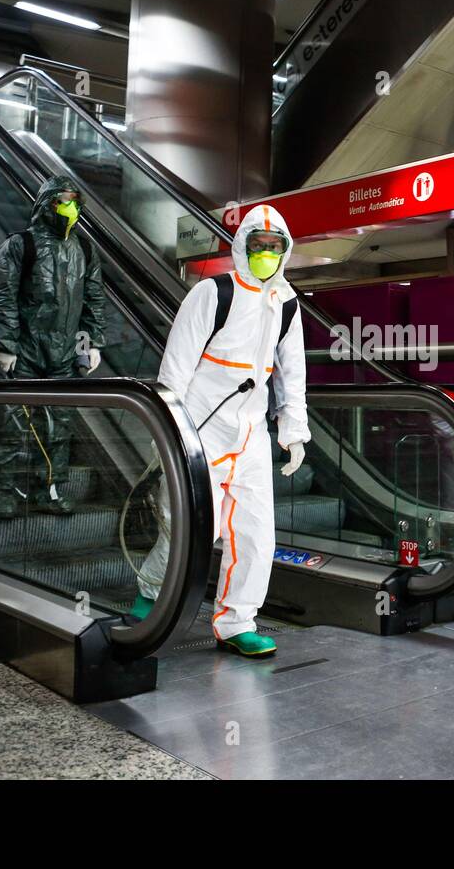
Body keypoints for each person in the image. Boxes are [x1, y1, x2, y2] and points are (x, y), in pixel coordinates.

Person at [132, 204, 309, 660]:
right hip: (200, 427)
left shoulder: (286, 303)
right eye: (258, 246)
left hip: (250, 433)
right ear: (242, 245)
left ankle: (236, 622)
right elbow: (175, 368)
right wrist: (167, 431)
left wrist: (294, 428)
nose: (266, 254)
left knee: (255, 533)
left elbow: (293, 371)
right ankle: (152, 592)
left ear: (285, 251)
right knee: (188, 528)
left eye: (275, 247)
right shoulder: (212, 294)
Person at [0, 177, 106, 519]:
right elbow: (1, 296)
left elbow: (94, 298)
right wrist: (7, 344)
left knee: (57, 428)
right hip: (22, 352)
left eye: (75, 201)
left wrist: (92, 341)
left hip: (63, 355)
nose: (71, 207)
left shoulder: (85, 249)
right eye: (63, 201)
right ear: (47, 203)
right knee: (8, 426)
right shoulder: (21, 245)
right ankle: (0, 492)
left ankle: (47, 490)